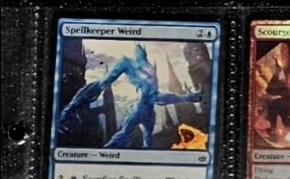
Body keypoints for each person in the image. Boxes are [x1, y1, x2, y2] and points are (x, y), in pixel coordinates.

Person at [59, 44, 203, 149]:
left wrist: (188, 97)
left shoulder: (149, 71)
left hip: (149, 113)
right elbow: (101, 84)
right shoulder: (127, 63)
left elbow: (158, 97)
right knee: (122, 137)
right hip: (139, 110)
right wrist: (71, 108)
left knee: (146, 142)